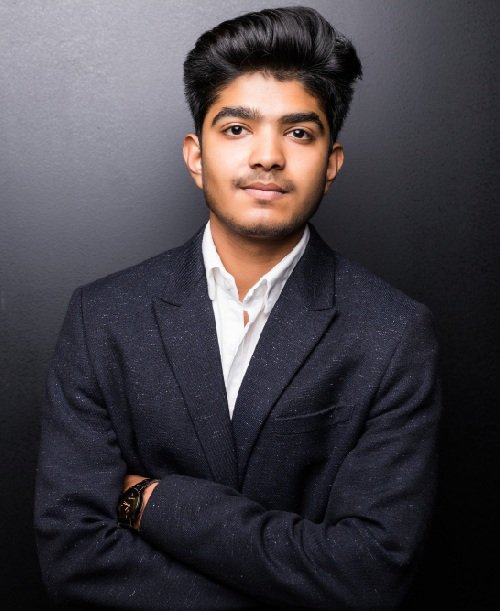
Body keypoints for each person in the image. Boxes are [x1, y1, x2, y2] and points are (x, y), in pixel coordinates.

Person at [35, 6, 441, 610]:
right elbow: (73, 555)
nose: (267, 156)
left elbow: (370, 574)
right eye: (236, 129)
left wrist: (152, 501)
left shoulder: (393, 333)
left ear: (331, 164)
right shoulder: (104, 317)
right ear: (196, 155)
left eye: (299, 133)